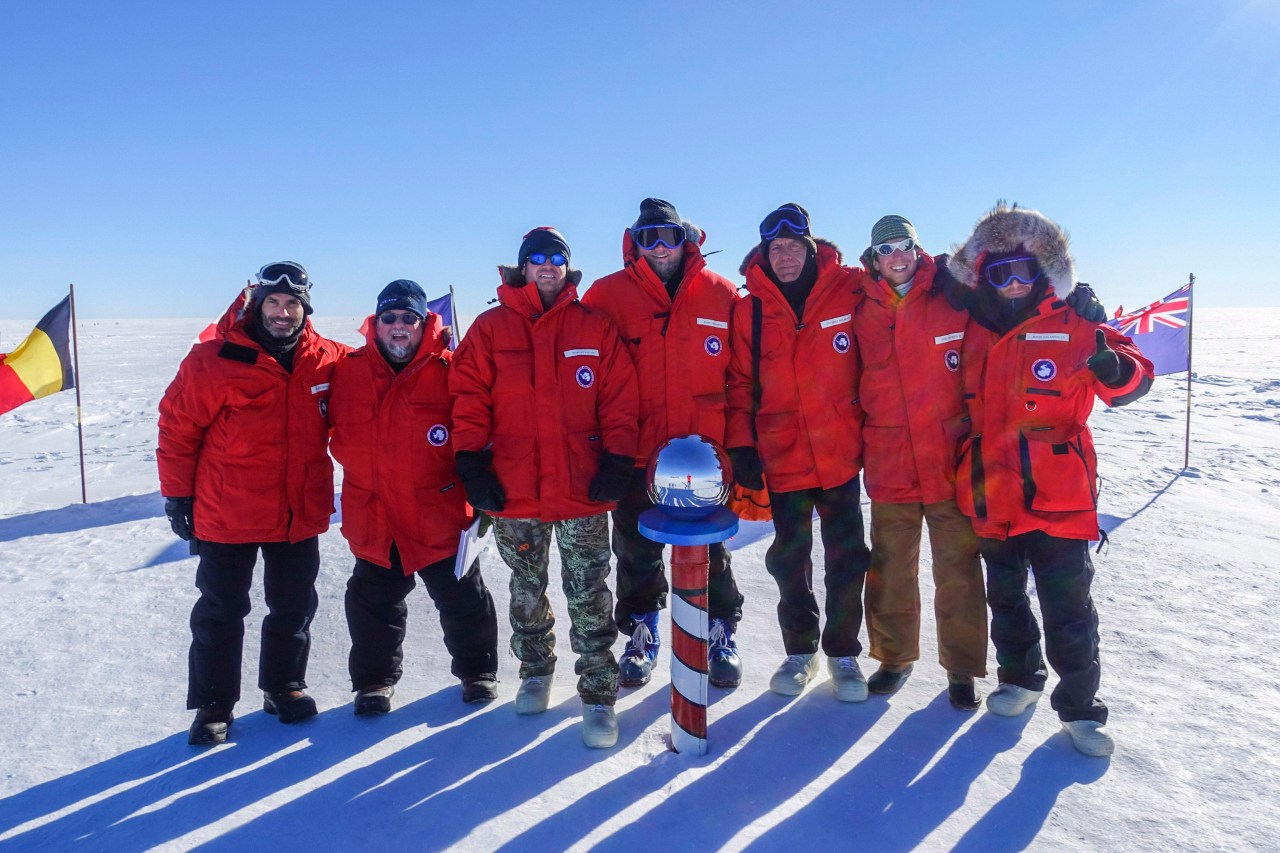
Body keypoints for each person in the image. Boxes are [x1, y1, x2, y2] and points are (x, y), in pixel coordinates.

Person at [947, 203, 1154, 756]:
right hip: (991, 490)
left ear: (1042, 273)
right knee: (1007, 598)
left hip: (1057, 494)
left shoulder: (1076, 319)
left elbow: (1132, 375)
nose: (1013, 284)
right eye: (999, 273)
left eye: (1023, 271)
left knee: (1069, 609)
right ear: (983, 275)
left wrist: (1116, 369)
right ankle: (1020, 678)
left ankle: (1082, 710)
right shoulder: (972, 328)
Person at [449, 227, 639, 749]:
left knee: (589, 593)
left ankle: (599, 694)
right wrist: (472, 463)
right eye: (537, 259)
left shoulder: (593, 326)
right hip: (515, 493)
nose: (548, 266)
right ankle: (536, 671)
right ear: (522, 267)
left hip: (581, 490)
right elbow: (468, 400)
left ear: (567, 267)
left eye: (557, 258)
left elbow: (620, 400)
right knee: (526, 589)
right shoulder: (490, 329)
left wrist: (619, 458)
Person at [158, 261, 349, 746]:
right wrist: (177, 494)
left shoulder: (326, 358)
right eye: (274, 303)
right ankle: (214, 704)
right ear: (256, 303)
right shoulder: (212, 360)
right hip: (227, 511)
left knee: (293, 606)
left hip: (296, 510)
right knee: (221, 610)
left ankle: (283, 688)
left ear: (305, 308)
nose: (283, 313)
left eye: (293, 304)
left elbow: (383, 370)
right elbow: (177, 429)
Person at [582, 198, 745, 689]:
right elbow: (587, 378)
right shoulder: (606, 296)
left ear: (686, 240)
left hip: (705, 457)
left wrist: (738, 447)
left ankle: (720, 633)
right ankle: (642, 632)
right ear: (634, 241)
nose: (659, 247)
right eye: (648, 237)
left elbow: (740, 379)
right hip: (636, 451)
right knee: (635, 549)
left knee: (713, 550)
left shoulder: (721, 294)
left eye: (668, 237)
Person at [328, 279, 500, 715]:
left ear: (426, 324)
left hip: (438, 514)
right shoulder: (345, 371)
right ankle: (373, 684)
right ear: (376, 323)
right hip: (375, 516)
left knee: (464, 601)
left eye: (410, 318)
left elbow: (482, 428)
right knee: (372, 608)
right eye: (390, 318)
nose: (399, 326)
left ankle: (477, 673)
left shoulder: (452, 370)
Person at [725, 204, 872, 702]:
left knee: (848, 558)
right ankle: (800, 651)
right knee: (790, 560)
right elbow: (741, 382)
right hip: (782, 455)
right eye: (775, 248)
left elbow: (903, 294)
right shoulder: (752, 309)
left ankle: (843, 652)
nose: (784, 256)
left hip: (840, 453)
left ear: (810, 247)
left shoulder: (848, 288)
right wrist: (742, 445)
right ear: (764, 254)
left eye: (793, 246)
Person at [852, 215, 990, 709]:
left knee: (958, 568)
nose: (897, 255)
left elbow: (1007, 298)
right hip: (889, 459)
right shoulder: (860, 306)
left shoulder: (953, 294)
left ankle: (962, 667)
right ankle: (894, 657)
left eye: (905, 245)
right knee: (890, 567)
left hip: (948, 459)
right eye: (885, 249)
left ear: (918, 248)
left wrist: (1066, 293)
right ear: (873, 258)